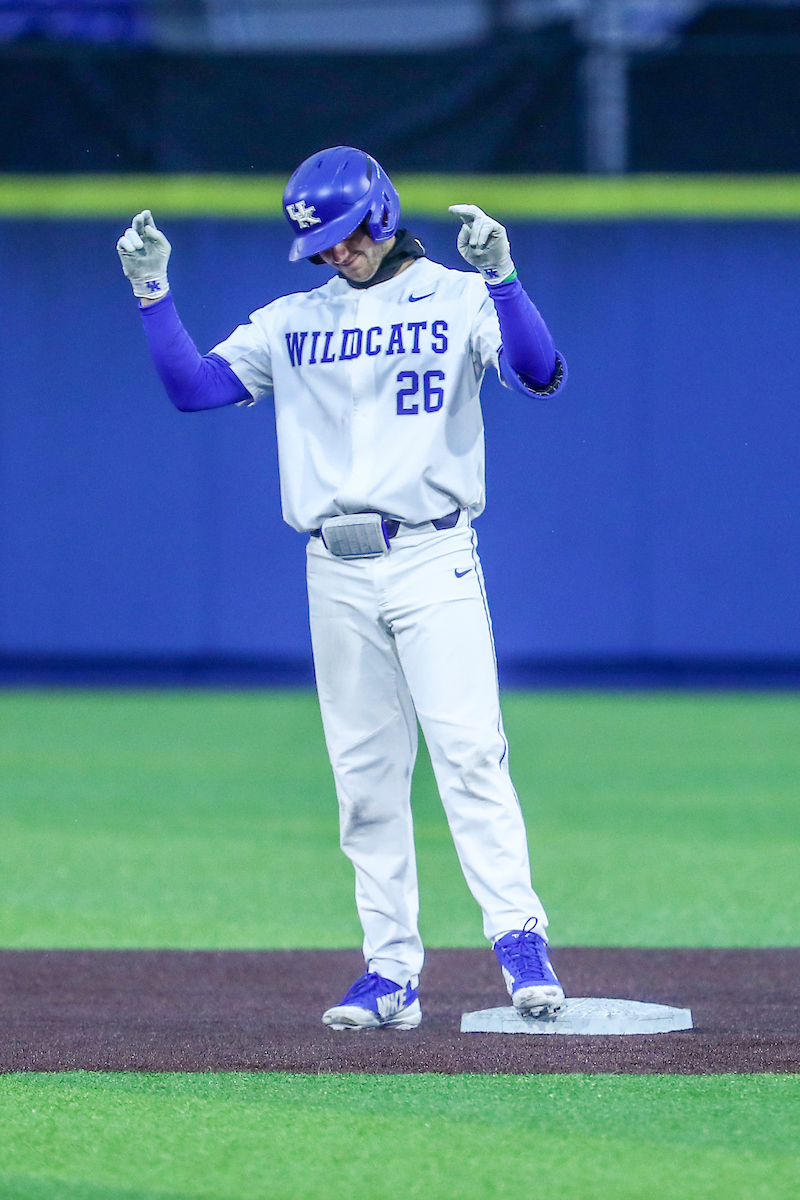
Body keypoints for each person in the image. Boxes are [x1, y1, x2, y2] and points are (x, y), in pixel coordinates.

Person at [117, 146, 567, 1031]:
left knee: (469, 754)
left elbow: (539, 372)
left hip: (433, 556)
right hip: (335, 566)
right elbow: (194, 389)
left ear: (384, 214)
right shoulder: (293, 317)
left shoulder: (457, 296)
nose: (336, 253)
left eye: (345, 235)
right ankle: (389, 971)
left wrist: (505, 279)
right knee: (364, 778)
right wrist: (153, 296)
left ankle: (520, 943)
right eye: (319, 244)